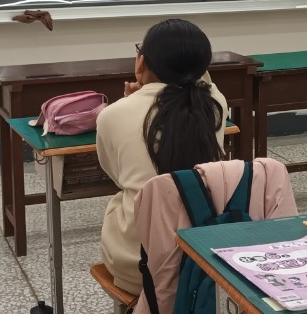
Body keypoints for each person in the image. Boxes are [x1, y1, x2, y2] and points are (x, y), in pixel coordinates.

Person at [96, 19, 228, 295]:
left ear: (141, 62)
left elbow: (116, 175)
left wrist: (132, 98)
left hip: (138, 264)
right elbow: (201, 83)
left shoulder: (112, 115)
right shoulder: (216, 104)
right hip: (204, 257)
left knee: (124, 198)